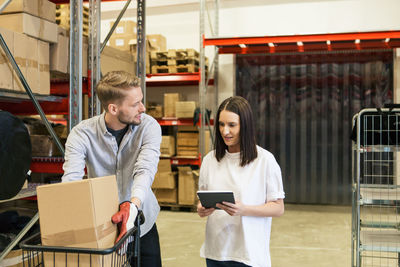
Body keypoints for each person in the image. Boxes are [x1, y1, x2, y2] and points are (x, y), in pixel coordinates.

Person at [61, 71, 162, 267]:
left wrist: (133, 207)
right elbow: (71, 180)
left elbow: (145, 169)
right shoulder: (82, 134)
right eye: (135, 104)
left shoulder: (149, 126)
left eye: (141, 101)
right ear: (113, 108)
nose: (142, 108)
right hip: (104, 225)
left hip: (143, 221)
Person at [197, 96, 285, 267]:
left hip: (248, 254)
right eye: (221, 124)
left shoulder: (265, 161)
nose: (225, 131)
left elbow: (278, 207)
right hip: (216, 251)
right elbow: (202, 199)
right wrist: (201, 209)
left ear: (245, 126)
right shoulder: (210, 160)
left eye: (232, 125)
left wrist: (244, 209)